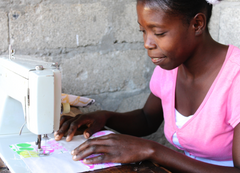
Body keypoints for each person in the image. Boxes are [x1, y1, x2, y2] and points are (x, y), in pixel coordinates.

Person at [55, 0, 240, 172]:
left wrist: (153, 150)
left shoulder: (235, 78)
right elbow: (147, 119)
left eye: (159, 33)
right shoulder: (171, 65)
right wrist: (105, 117)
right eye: (143, 31)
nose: (147, 44)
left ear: (197, 24)